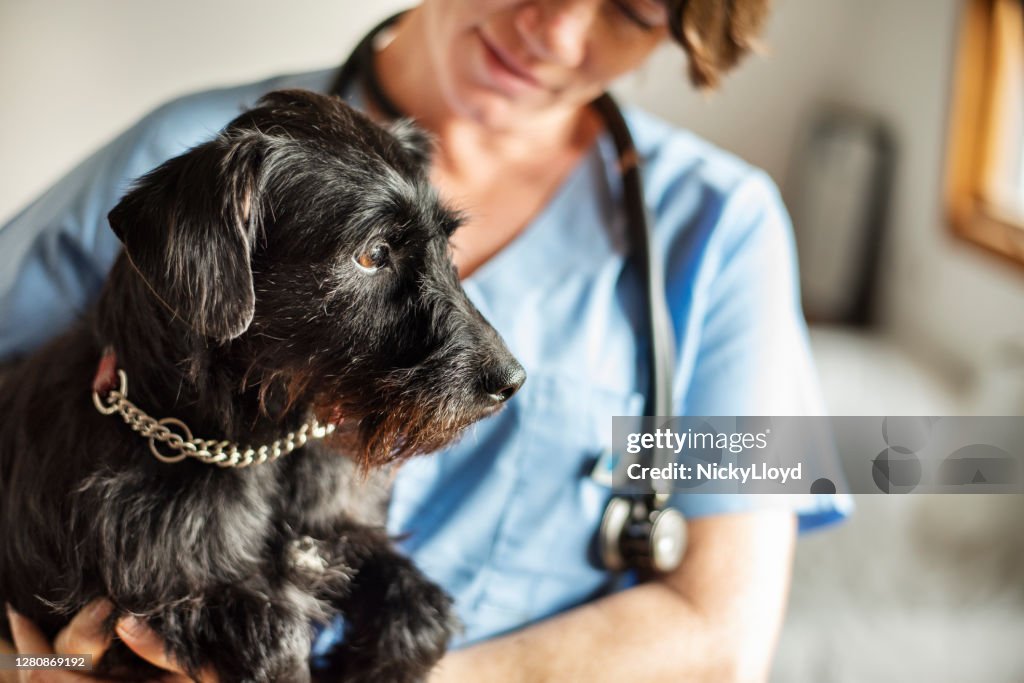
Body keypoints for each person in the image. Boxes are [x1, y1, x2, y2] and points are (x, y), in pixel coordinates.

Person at [0, 1, 852, 680]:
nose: (556, 28)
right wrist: (21, 663)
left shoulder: (729, 228)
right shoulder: (187, 159)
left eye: (632, 8)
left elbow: (722, 633)